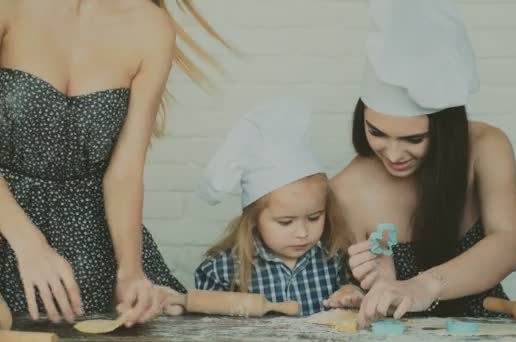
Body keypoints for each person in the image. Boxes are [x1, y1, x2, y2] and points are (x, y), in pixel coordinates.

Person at [0, 0, 227, 326]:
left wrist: (130, 272)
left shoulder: (150, 25)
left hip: (94, 236)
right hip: (8, 223)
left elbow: (125, 171)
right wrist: (29, 244)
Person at [330, 0, 516, 327]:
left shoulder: (487, 147)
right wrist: (369, 285)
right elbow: (347, 301)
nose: (392, 155)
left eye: (414, 140)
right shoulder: (346, 189)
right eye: (376, 132)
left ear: (446, 131)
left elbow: (509, 243)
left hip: (486, 327)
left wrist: (424, 285)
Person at [193, 97, 362, 316]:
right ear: (254, 219)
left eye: (314, 217)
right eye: (285, 222)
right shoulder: (222, 270)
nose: (302, 233)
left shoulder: (335, 257)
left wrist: (351, 292)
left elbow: (357, 304)